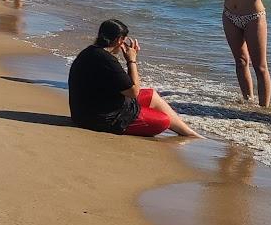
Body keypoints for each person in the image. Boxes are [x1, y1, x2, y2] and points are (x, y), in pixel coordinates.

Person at [68, 19, 199, 138]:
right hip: (100, 118)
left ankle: (190, 133)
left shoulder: (90, 52)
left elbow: (124, 87)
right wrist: (132, 60)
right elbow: (134, 91)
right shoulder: (107, 60)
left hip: (85, 112)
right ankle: (188, 133)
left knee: (151, 94)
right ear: (119, 40)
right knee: (163, 121)